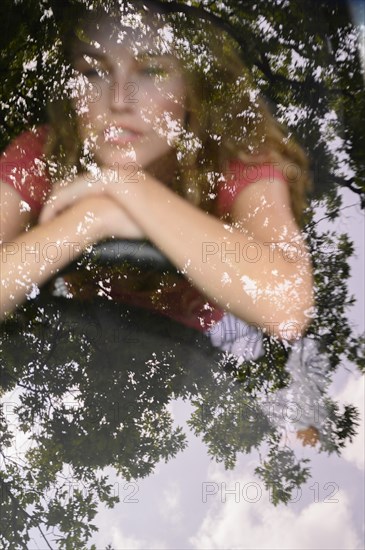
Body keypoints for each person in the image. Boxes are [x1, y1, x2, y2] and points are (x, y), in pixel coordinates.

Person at [0, 0, 314, 365]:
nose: (119, 100)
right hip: (68, 366)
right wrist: (91, 219)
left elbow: (287, 303)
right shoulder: (43, 154)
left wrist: (129, 189)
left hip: (204, 382)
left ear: (193, 86)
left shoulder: (234, 159)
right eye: (93, 72)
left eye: (151, 71)